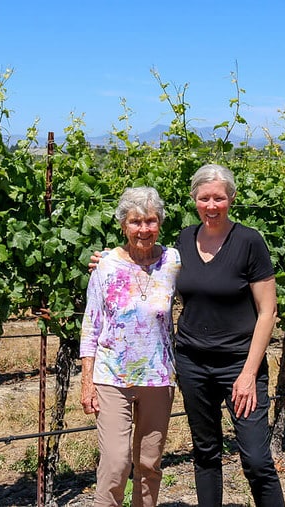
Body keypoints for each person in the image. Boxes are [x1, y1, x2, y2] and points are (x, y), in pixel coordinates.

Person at [173, 164, 285, 507]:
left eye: (218, 198)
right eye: (204, 198)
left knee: (255, 458)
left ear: (231, 199)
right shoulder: (183, 240)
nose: (211, 205)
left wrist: (249, 374)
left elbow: (268, 311)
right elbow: (151, 268)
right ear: (194, 200)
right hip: (192, 363)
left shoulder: (249, 241)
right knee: (206, 453)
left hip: (240, 364)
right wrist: (112, 261)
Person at [79, 186, 181, 507]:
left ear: (160, 223)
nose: (144, 229)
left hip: (158, 377)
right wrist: (86, 382)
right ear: (123, 224)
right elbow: (91, 324)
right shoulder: (106, 265)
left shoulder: (173, 261)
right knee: (116, 463)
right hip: (111, 378)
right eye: (136, 221)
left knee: (149, 465)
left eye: (151, 221)